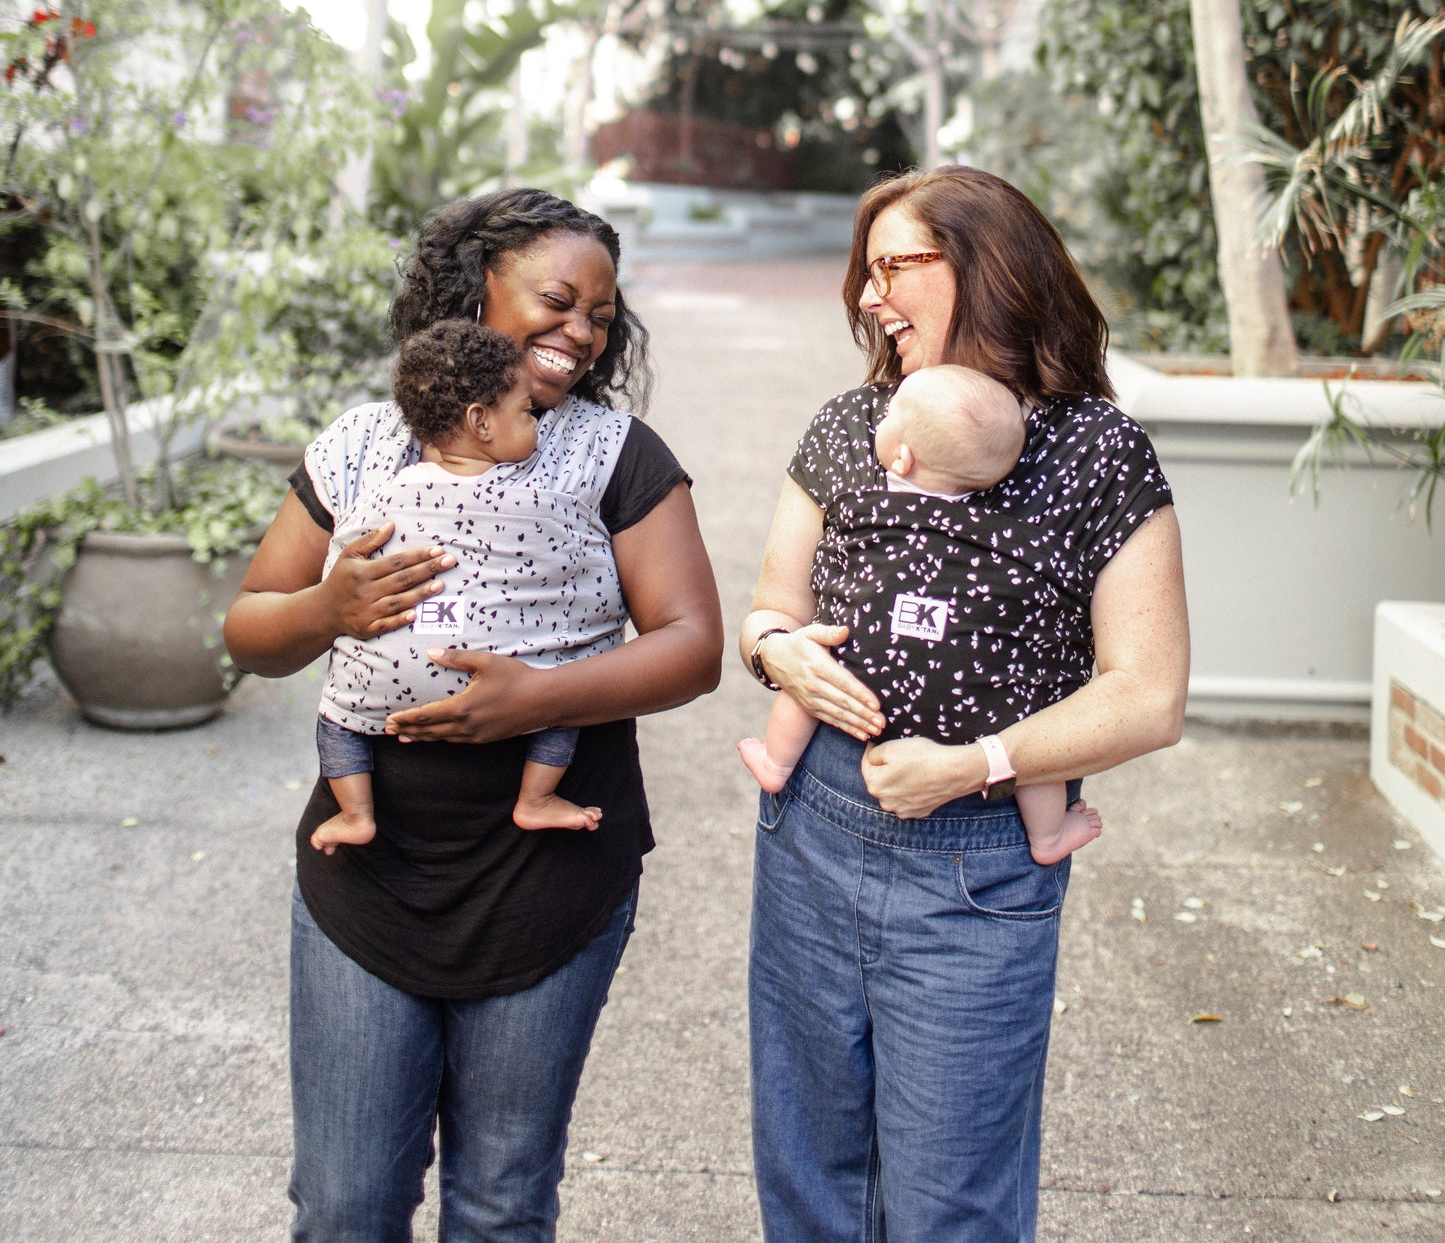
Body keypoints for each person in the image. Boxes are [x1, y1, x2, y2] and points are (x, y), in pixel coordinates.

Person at [223, 188, 723, 1242]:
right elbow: (250, 629)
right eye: (556, 297)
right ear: (475, 287)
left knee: (499, 1207)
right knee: (346, 1204)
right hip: (369, 866)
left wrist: (536, 700)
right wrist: (328, 606)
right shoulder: (361, 445)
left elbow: (690, 646)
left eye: (599, 313)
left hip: (549, 874)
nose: (579, 329)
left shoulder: (615, 455)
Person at [739, 165, 1188, 1242]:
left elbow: (1148, 693)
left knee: (952, 1203)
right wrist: (779, 658)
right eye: (864, 269)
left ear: (986, 269)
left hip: (976, 861)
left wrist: (977, 760)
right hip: (811, 829)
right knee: (809, 1182)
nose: (866, 294)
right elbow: (765, 608)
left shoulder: (1094, 451)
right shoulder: (850, 427)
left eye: (894, 265)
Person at [737, 363, 1104, 868]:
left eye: (890, 419)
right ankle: (1047, 836)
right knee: (1033, 736)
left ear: (901, 457)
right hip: (979, 698)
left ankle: (775, 764)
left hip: (860, 671)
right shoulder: (991, 525)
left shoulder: (871, 503)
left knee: (810, 675)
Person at [312, 319, 605, 858]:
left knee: (336, 718)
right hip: (510, 691)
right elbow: (590, 581)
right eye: (526, 411)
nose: (536, 423)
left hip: (382, 691)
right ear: (481, 422)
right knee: (564, 702)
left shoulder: (384, 492)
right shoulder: (540, 500)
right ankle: (536, 798)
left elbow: (343, 560)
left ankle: (355, 812)